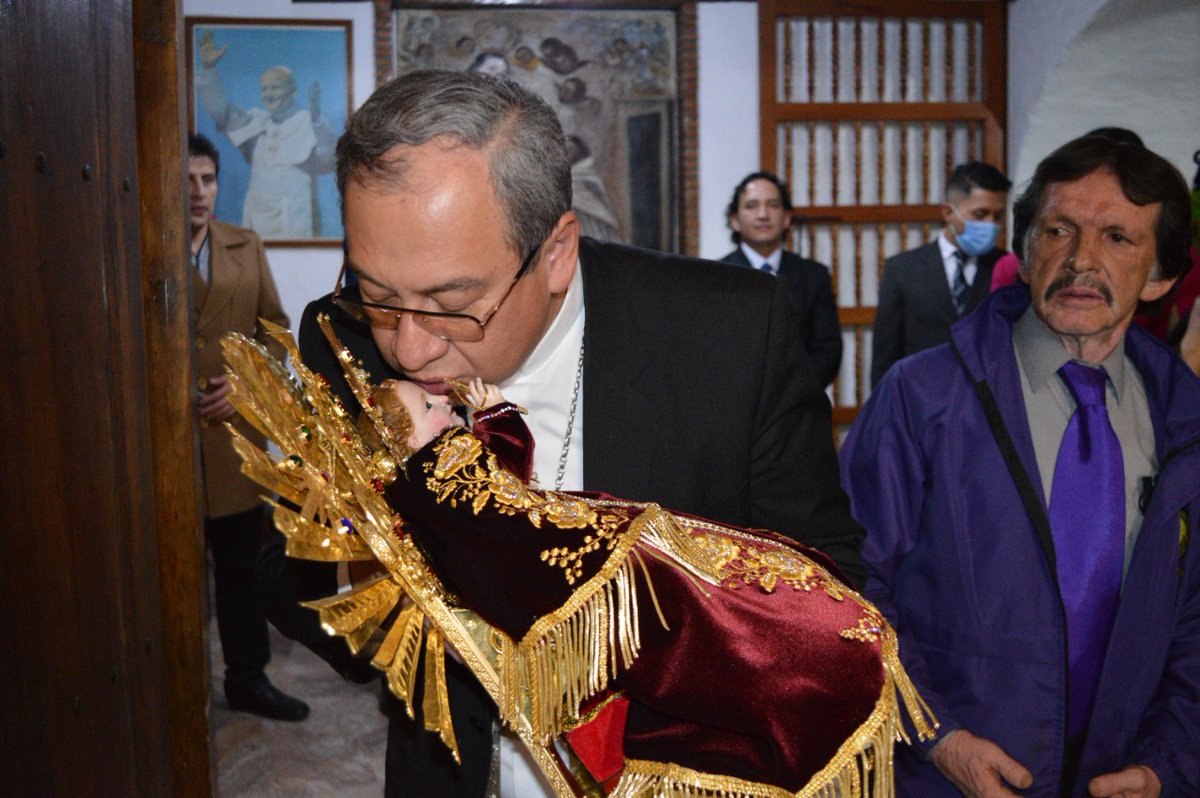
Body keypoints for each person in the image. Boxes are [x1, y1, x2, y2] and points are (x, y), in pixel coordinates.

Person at [261, 69, 866, 797]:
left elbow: (834, 609)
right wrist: (376, 542)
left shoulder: (732, 337)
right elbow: (286, 581)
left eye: (454, 304)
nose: (410, 349)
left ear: (555, 254)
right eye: (380, 296)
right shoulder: (342, 338)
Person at [318, 373, 931, 794]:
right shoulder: (439, 471)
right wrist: (496, 417)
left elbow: (502, 492)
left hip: (582, 564)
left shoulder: (426, 495)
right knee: (711, 601)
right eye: (427, 410)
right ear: (398, 444)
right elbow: (503, 478)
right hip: (590, 567)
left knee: (714, 592)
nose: (443, 405)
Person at [841, 134, 1200, 796]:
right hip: (944, 777)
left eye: (1118, 238)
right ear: (1026, 254)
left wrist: (1168, 765)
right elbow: (849, 588)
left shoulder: (1185, 420)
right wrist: (937, 737)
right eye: (1059, 230)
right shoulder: (923, 397)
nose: (1081, 260)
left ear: (1162, 276)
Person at [187, 133, 308, 721]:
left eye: (207, 180)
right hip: (167, 446)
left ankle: (247, 681)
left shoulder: (244, 244)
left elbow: (273, 331)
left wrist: (246, 381)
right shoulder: (137, 245)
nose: (198, 192)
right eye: (186, 180)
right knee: (172, 576)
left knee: (240, 569)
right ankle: (173, 692)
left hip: (234, 441)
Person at [871, 161, 1012, 387]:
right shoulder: (903, 269)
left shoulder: (1005, 268)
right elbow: (885, 356)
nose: (991, 225)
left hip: (986, 403)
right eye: (980, 214)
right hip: (920, 400)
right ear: (948, 212)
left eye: (998, 216)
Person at [196, 30, 338, 239]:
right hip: (257, 217)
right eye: (265, 89)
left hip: (295, 220)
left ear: (293, 89)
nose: (269, 94)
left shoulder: (310, 121)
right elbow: (220, 112)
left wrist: (316, 114)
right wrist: (209, 69)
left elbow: (328, 158)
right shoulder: (257, 120)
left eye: (275, 87)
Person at [721, 171, 843, 387]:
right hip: (734, 403)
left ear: (787, 218)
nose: (763, 215)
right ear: (735, 220)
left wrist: (794, 393)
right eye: (751, 206)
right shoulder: (718, 277)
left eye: (773, 205)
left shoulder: (814, 276)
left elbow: (828, 348)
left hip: (799, 403)